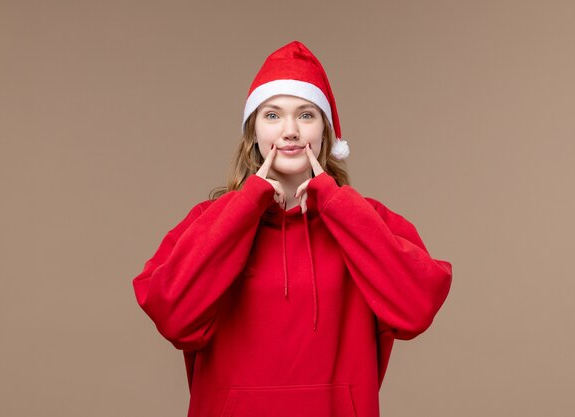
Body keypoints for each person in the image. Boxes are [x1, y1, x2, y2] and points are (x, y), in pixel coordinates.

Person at [132, 40, 452, 417]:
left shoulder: (364, 219)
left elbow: (416, 308)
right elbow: (173, 317)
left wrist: (336, 204)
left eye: (305, 115)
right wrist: (246, 206)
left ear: (326, 133)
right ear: (252, 132)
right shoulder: (212, 220)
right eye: (272, 115)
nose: (290, 131)